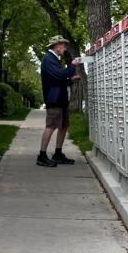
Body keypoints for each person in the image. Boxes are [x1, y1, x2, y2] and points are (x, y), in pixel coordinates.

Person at [38, 35, 81, 167]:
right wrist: (72, 66)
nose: (65, 48)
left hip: (60, 98)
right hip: (54, 99)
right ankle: (42, 156)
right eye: (63, 45)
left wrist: (70, 80)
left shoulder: (55, 59)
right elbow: (60, 75)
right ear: (57, 46)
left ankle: (58, 153)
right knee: (51, 126)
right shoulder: (48, 59)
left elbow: (59, 79)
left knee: (63, 126)